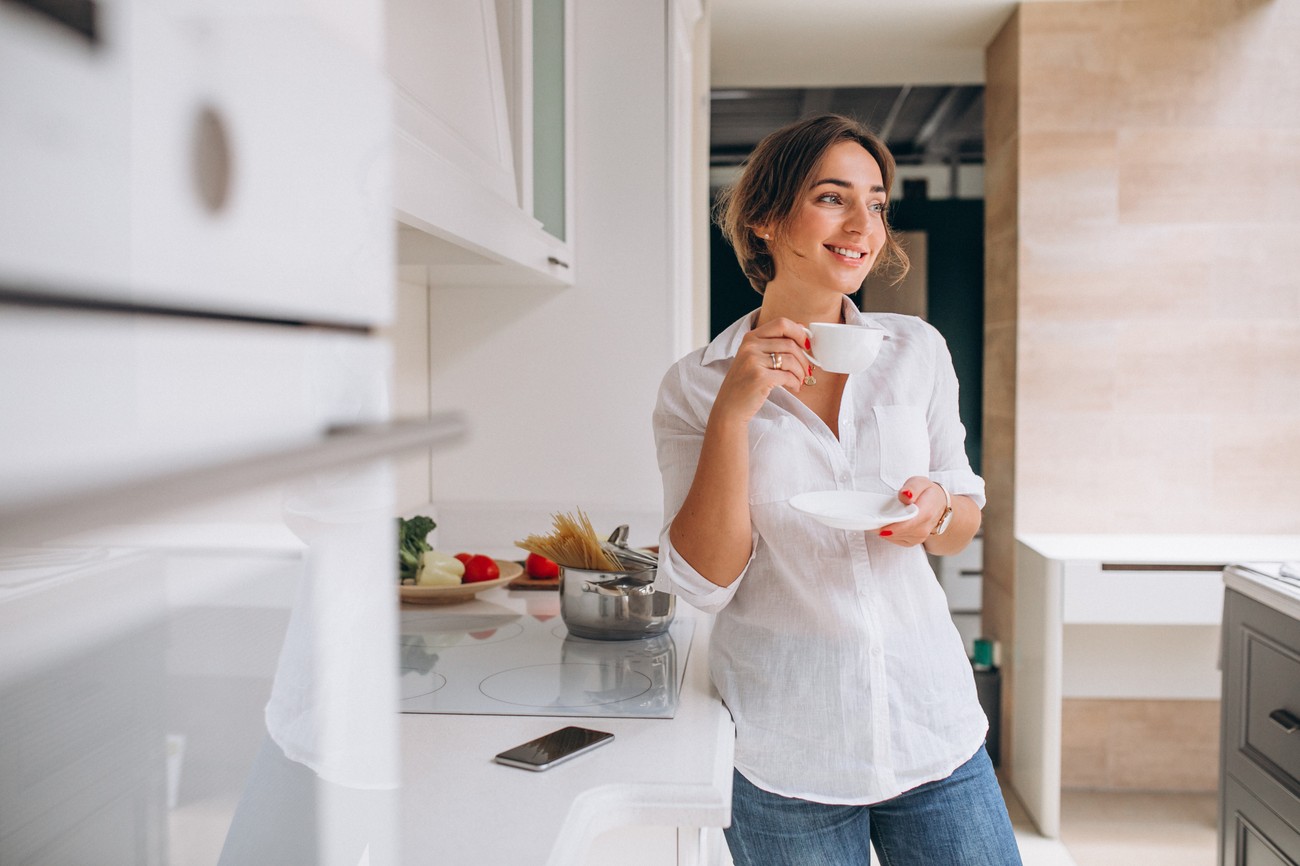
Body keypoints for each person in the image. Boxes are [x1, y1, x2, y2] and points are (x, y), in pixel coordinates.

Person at [651, 114, 1023, 865]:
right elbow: (703, 582)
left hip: (934, 731)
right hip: (788, 750)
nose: (863, 224)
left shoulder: (916, 351)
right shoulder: (697, 386)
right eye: (832, 197)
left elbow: (962, 518)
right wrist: (733, 414)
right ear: (764, 219)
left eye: (878, 203)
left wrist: (935, 511)